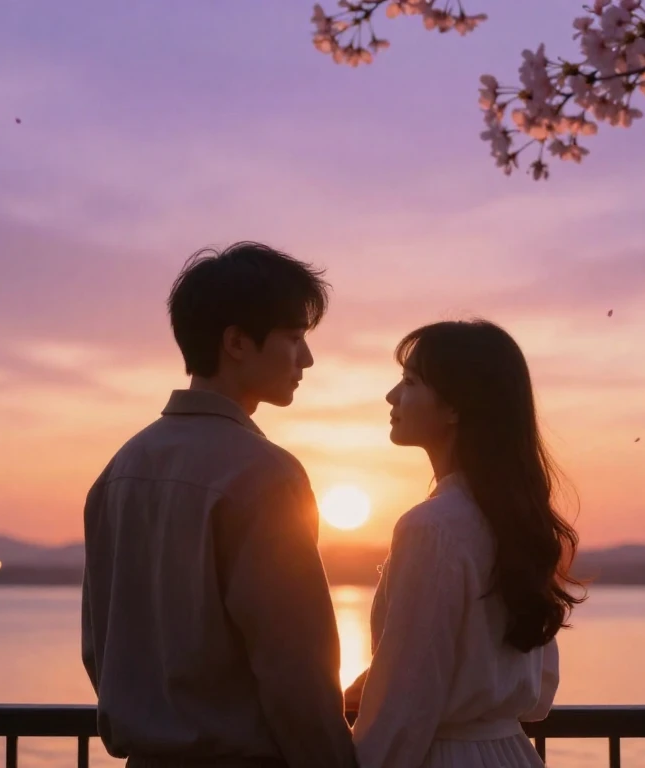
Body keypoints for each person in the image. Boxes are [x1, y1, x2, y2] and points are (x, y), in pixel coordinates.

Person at [81, 242, 357, 768]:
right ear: (236, 342)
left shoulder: (119, 471)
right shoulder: (264, 474)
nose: (307, 359)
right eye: (295, 338)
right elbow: (293, 669)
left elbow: (100, 648)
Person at [348, 319, 583, 768]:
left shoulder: (432, 527)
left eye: (409, 382)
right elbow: (539, 697)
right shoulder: (517, 522)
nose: (392, 397)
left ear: (455, 408)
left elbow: (407, 704)